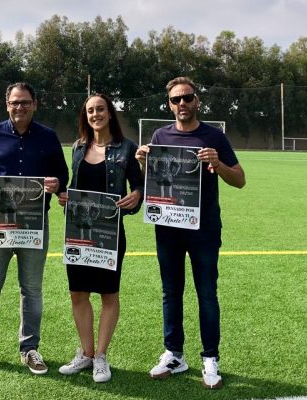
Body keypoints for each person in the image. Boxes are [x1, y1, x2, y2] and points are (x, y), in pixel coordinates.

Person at [135, 77, 246, 389]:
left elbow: (239, 179)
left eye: (186, 98)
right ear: (169, 105)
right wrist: (144, 164)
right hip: (168, 228)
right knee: (171, 293)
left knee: (206, 294)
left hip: (205, 230)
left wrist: (218, 164)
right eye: (175, 100)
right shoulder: (160, 135)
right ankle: (174, 354)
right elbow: (153, 185)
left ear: (197, 101)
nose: (181, 104)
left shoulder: (214, 136)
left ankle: (210, 358)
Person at [0, 82, 69, 376]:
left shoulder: (48, 137)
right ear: (6, 104)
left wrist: (57, 184)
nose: (19, 107)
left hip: (33, 225)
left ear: (35, 104)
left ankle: (29, 349)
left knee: (31, 290)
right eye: (14, 102)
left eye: (25, 102)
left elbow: (62, 175)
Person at [56, 93, 143, 383]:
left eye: (101, 109)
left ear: (110, 113)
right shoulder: (78, 148)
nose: (96, 114)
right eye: (91, 110)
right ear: (86, 116)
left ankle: (102, 356)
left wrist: (137, 196)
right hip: (79, 233)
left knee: (108, 294)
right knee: (77, 294)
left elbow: (139, 186)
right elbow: (74, 187)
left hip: (110, 233)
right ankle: (87, 353)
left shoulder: (126, 149)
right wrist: (65, 197)